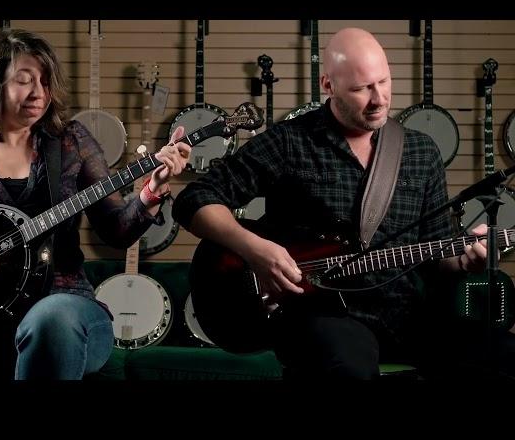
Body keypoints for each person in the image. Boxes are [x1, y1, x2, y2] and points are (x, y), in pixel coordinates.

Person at [173, 27, 515, 380]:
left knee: (505, 355)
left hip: (405, 314)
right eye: (361, 88)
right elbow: (194, 200)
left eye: (383, 81)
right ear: (328, 85)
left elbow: (440, 258)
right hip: (321, 316)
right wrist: (256, 250)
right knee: (346, 366)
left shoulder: (421, 152)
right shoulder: (291, 141)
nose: (379, 98)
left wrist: (465, 259)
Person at [0, 29, 191, 380]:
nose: (39, 92)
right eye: (25, 80)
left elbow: (116, 229)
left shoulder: (72, 143)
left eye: (45, 80)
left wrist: (153, 190)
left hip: (65, 307)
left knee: (50, 319)